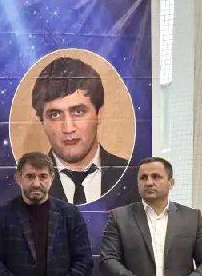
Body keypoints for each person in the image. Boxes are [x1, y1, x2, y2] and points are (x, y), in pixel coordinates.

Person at [31, 57, 129, 205]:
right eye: (55, 115)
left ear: (99, 114)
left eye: (78, 112)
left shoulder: (130, 174)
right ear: (42, 122)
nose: (68, 128)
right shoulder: (26, 185)